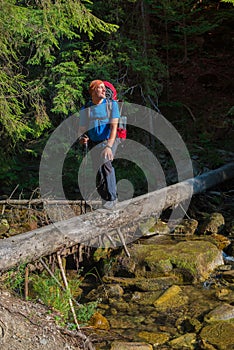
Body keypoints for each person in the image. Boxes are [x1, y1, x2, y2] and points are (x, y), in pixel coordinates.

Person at [78, 80, 120, 209]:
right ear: (93, 91)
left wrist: (109, 147)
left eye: (104, 87)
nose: (104, 90)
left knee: (106, 165)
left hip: (109, 140)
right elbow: (82, 129)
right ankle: (105, 200)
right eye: (100, 88)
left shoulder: (111, 105)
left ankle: (113, 199)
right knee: (98, 170)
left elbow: (114, 127)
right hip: (93, 142)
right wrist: (82, 138)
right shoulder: (86, 109)